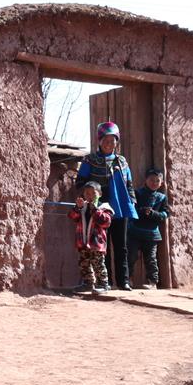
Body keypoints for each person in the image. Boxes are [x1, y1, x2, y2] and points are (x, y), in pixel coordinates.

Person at [75, 121, 137, 290]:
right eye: (106, 141)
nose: (110, 144)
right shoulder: (90, 160)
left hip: (120, 207)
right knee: (102, 246)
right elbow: (80, 182)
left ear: (117, 142)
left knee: (121, 245)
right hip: (99, 209)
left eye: (113, 141)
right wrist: (91, 196)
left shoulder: (122, 161)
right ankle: (106, 282)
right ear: (99, 141)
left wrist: (131, 202)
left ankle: (123, 281)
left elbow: (129, 183)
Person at [68, 181, 114, 294]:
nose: (90, 196)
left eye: (93, 193)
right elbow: (72, 217)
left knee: (98, 263)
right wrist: (77, 208)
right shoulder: (82, 207)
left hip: (96, 243)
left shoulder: (104, 207)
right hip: (83, 242)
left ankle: (103, 284)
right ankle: (88, 283)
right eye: (87, 193)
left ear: (100, 194)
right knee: (84, 263)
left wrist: (95, 209)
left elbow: (105, 222)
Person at [128, 168, 170, 289]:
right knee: (131, 256)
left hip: (152, 234)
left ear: (161, 183)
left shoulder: (162, 198)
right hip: (135, 231)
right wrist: (142, 211)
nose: (154, 183)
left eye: (157, 181)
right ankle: (128, 280)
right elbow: (131, 210)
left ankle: (152, 282)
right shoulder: (137, 193)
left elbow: (165, 214)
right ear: (145, 180)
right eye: (151, 180)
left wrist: (153, 214)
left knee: (151, 258)